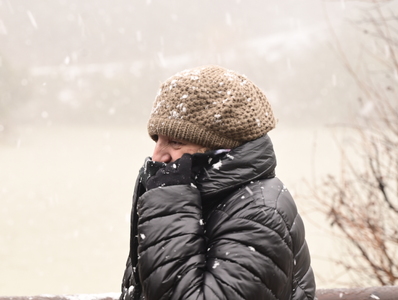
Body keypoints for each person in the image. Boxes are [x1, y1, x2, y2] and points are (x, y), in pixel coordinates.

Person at [120, 65, 316, 300]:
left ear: (221, 147)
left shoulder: (259, 214)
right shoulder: (197, 198)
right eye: (157, 139)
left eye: (176, 142)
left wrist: (169, 204)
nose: (157, 156)